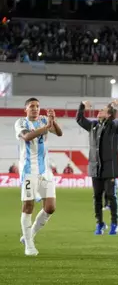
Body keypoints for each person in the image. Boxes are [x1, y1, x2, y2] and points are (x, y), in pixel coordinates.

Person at [16, 98, 63, 256]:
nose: (35, 109)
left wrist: (53, 121)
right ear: (26, 109)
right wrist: (46, 127)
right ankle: (29, 245)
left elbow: (59, 133)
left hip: (45, 172)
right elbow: (28, 137)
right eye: (32, 106)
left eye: (37, 106)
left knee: (50, 207)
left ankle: (29, 236)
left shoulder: (44, 120)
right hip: (29, 171)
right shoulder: (20, 123)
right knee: (28, 207)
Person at [76, 100, 118, 236]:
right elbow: (79, 119)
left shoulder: (114, 126)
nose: (99, 111)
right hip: (95, 168)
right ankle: (99, 223)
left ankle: (114, 224)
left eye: (103, 110)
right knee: (97, 197)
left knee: (111, 196)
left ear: (109, 115)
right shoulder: (93, 125)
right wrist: (82, 106)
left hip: (109, 168)